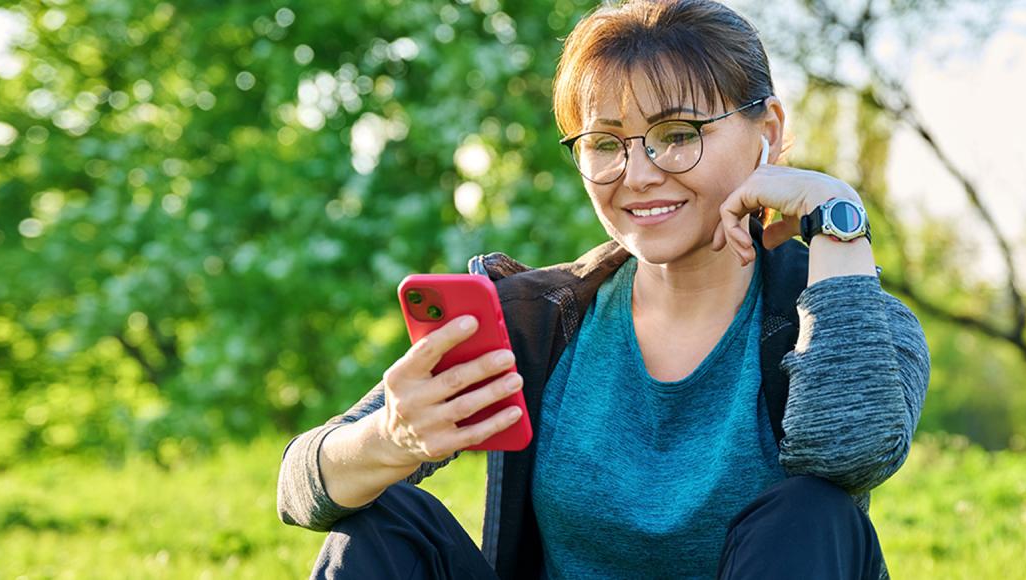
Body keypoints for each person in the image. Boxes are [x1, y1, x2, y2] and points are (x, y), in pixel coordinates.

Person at [276, 1, 930, 577]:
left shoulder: (850, 321)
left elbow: (850, 455)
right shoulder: (535, 320)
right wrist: (391, 439)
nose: (637, 174)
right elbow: (299, 485)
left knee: (813, 511)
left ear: (768, 132)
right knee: (383, 516)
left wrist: (837, 217)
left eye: (677, 136)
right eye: (605, 144)